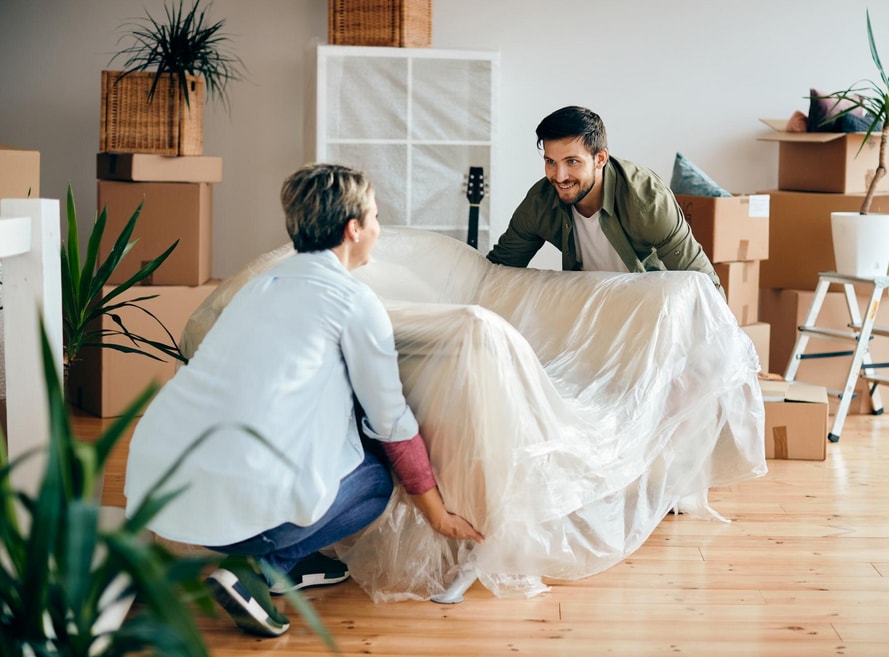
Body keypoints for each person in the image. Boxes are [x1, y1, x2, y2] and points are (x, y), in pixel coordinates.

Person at [123, 163, 483, 638]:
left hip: (158, 488)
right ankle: (260, 568)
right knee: (375, 479)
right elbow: (390, 419)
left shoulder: (255, 288)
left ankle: (269, 562)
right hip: (243, 496)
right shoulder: (354, 302)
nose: (378, 228)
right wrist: (438, 514)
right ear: (354, 229)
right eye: (375, 217)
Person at [487, 105, 722, 292]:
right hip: (588, 307)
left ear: (600, 159)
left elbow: (703, 284)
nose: (559, 176)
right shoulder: (541, 202)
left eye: (572, 161)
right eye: (551, 162)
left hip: (651, 309)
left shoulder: (647, 200)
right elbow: (498, 270)